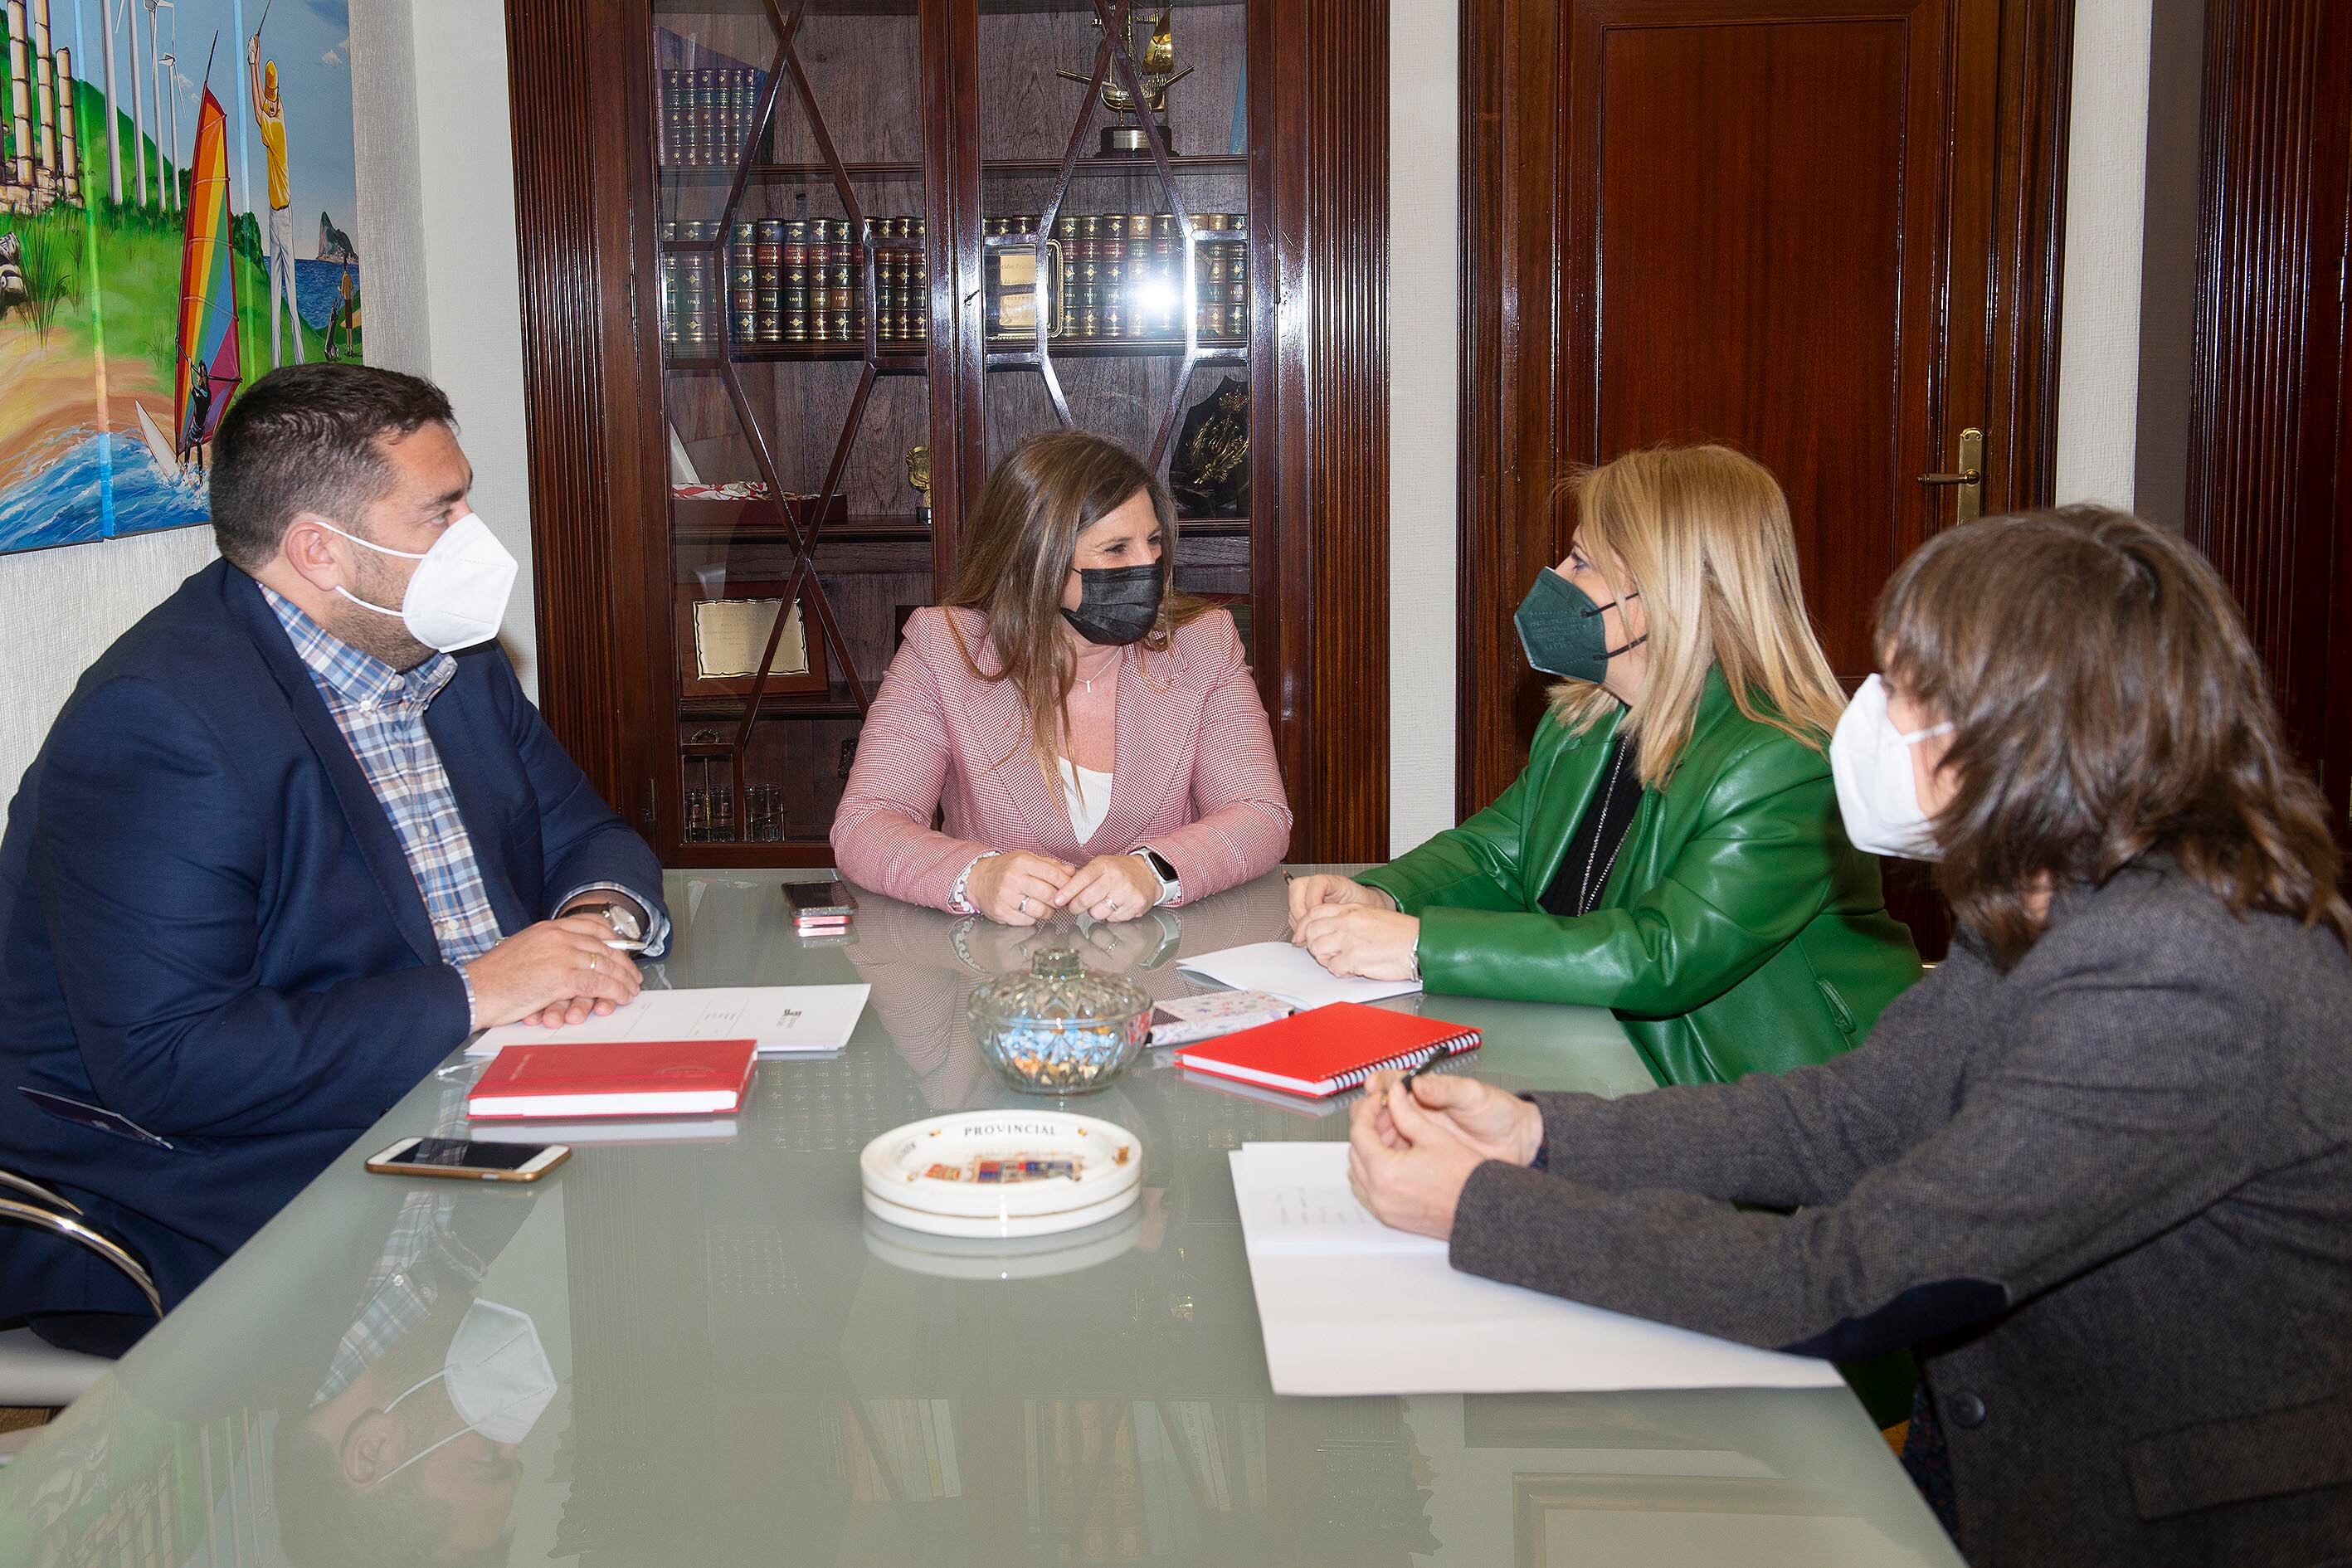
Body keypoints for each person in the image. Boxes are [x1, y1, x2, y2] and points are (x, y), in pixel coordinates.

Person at [1345, 508, 2352, 1567]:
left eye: (1913, 687)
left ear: (2038, 732)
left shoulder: (2180, 979)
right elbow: (1853, 1114)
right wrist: (1541, 1137)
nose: (1870, 715)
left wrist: (1485, 1209)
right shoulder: (2053, 894)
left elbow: (1843, 1279)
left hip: (2171, 1521)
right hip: (1999, 1457)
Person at [0, 364, 667, 1352]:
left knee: (685, 1211)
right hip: (224, 1189)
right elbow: (170, 1064)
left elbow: (588, 834)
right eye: (440, 514)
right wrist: (478, 993)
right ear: (319, 550)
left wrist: (588, 927)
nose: (476, 539)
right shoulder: (161, 725)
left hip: (471, 1095)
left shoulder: (445, 652)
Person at [1291, 445, 1918, 1084]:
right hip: (1594, 1048)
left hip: (1766, 1104)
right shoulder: (1584, 720)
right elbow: (1495, 854)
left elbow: (1663, 955)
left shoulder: (1787, 760)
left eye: (1581, 562)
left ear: (1663, 592)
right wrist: (1381, 894)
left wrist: (1422, 946)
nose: (1555, 578)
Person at [832, 429, 1289, 923]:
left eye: (1154, 542)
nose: (1149, 566)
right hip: (999, 978)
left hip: (1158, 970)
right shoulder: (947, 648)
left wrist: (1156, 871)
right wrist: (974, 875)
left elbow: (1260, 815)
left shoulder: (1201, 643)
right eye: (1116, 550)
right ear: (1036, 561)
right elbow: (864, 823)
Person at [248, 35, 304, 366]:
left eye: (272, 100)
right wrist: (257, 57)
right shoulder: (278, 109)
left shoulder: (276, 127)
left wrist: (253, 63)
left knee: (292, 301)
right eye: (270, 100)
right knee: (273, 298)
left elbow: (257, 111)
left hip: (283, 216)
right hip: (273, 213)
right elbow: (261, 103)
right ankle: (276, 368)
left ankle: (299, 365)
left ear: (277, 100)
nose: (270, 105)